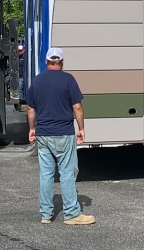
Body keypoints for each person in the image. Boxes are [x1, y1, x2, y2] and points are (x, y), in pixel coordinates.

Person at [27, 47, 95, 226]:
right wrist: (81, 128)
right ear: (62, 62)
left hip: (43, 134)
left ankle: (46, 214)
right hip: (63, 133)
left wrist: (32, 128)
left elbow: (31, 109)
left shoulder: (37, 81)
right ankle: (72, 214)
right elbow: (77, 107)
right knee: (66, 173)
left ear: (46, 62)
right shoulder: (68, 80)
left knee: (46, 174)